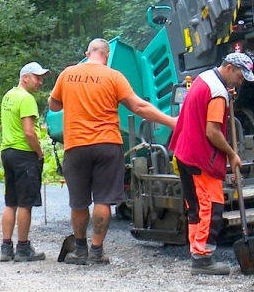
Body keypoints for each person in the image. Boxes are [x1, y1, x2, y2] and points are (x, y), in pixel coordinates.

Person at [48, 38, 177, 265]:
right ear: (106, 55)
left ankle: (80, 251)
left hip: (76, 145)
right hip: (107, 145)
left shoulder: (67, 74)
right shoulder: (114, 76)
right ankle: (97, 252)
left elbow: (54, 105)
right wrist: (171, 122)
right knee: (103, 200)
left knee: (78, 202)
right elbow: (139, 107)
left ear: (87, 53)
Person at [168, 52, 254, 275]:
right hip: (201, 157)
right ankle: (203, 260)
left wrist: (227, 93)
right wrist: (232, 155)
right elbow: (212, 132)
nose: (241, 81)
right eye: (240, 75)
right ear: (228, 69)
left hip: (185, 152)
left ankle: (196, 252)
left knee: (195, 207)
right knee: (211, 207)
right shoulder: (218, 93)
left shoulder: (205, 78)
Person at [0, 61, 50, 262]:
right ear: (25, 77)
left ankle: (6, 248)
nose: (40, 82)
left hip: (8, 152)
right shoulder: (27, 99)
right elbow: (29, 132)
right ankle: (22, 248)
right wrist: (39, 152)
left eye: (41, 79)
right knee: (25, 204)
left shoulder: (9, 96)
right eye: (37, 78)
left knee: (11, 202)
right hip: (24, 154)